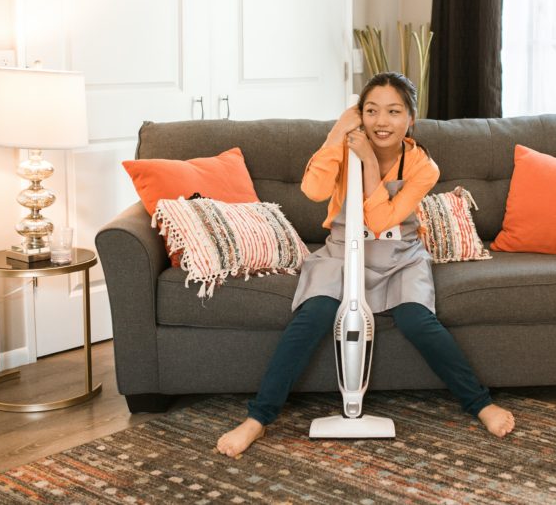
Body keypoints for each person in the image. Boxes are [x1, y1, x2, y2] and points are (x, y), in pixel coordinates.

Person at [215, 72, 515, 457]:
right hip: (344, 251)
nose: (381, 121)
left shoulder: (423, 166)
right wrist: (336, 133)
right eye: (371, 111)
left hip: (399, 256)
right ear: (358, 115)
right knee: (313, 315)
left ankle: (480, 404)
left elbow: (382, 220)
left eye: (393, 111)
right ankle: (258, 419)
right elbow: (313, 190)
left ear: (410, 118)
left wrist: (370, 164)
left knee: (418, 321)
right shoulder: (344, 147)